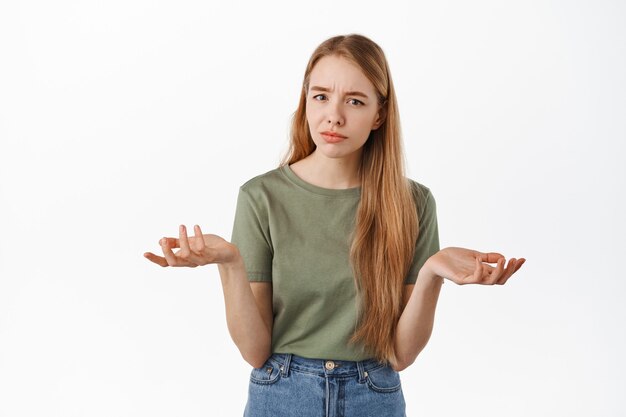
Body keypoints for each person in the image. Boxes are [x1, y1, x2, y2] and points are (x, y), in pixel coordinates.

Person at [143, 33, 525, 417]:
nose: (334, 116)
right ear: (305, 101)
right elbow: (255, 352)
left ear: (379, 114)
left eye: (355, 101)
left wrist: (431, 274)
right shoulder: (262, 197)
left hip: (374, 395)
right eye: (321, 96)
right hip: (281, 395)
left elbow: (401, 354)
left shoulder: (414, 203)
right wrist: (230, 263)